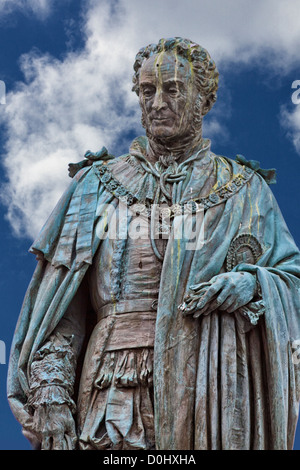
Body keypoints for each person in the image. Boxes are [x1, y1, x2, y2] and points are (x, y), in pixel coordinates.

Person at [7, 37, 300, 450]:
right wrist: (51, 395)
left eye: (173, 89)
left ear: (204, 98)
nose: (157, 102)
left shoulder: (244, 190)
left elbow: (293, 280)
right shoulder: (95, 186)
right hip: (112, 388)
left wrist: (251, 285)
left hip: (211, 388)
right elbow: (61, 313)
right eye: (147, 91)